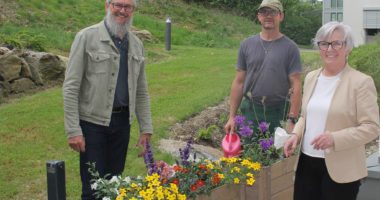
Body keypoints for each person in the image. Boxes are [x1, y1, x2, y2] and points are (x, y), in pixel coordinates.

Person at [63, 0, 153, 199]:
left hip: (122, 124)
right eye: (118, 5)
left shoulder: (136, 45)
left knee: (114, 184)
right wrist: (73, 130)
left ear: (133, 11)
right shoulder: (86, 37)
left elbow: (141, 91)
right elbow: (70, 87)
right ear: (107, 6)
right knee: (93, 188)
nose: (122, 11)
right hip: (92, 124)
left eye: (128, 7)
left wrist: (146, 128)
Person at [283, 21, 380, 200]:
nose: (330, 49)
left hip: (342, 169)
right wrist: (296, 135)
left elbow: (372, 127)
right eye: (324, 43)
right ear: (318, 47)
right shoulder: (312, 77)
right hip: (306, 164)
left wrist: (334, 138)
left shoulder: (361, 82)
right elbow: (306, 116)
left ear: (348, 47)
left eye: (337, 43)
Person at [224, 0, 302, 135]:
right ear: (259, 16)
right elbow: (239, 82)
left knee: (277, 154)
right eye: (264, 12)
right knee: (249, 153)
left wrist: (291, 119)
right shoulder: (246, 45)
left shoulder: (290, 48)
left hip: (278, 112)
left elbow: (296, 85)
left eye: (273, 12)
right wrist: (232, 116)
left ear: (281, 16)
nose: (268, 16)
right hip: (250, 111)